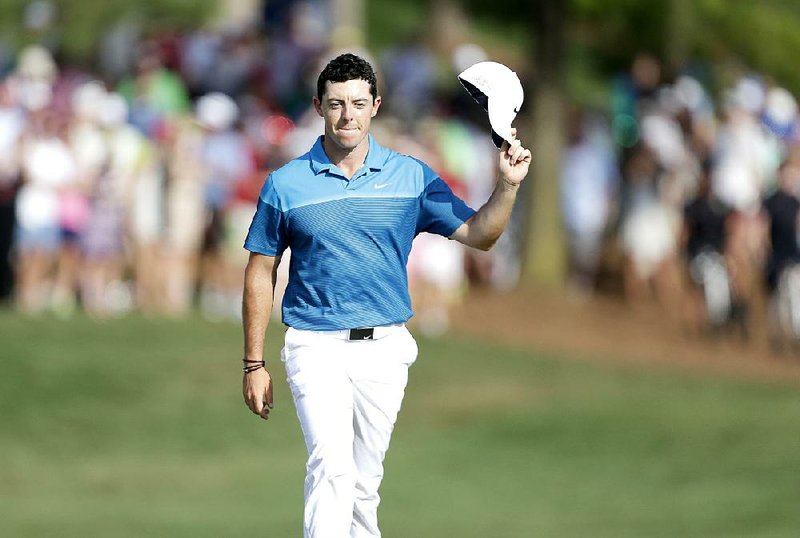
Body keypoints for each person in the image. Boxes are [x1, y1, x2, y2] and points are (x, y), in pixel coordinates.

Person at [240, 53, 531, 538]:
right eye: (336, 104)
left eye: (357, 103)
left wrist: (507, 185)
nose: (347, 115)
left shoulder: (411, 177)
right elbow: (259, 269)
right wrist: (254, 362)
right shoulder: (285, 184)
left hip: (386, 348)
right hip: (315, 345)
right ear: (318, 106)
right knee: (331, 469)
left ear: (376, 105)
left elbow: (480, 234)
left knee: (363, 487)